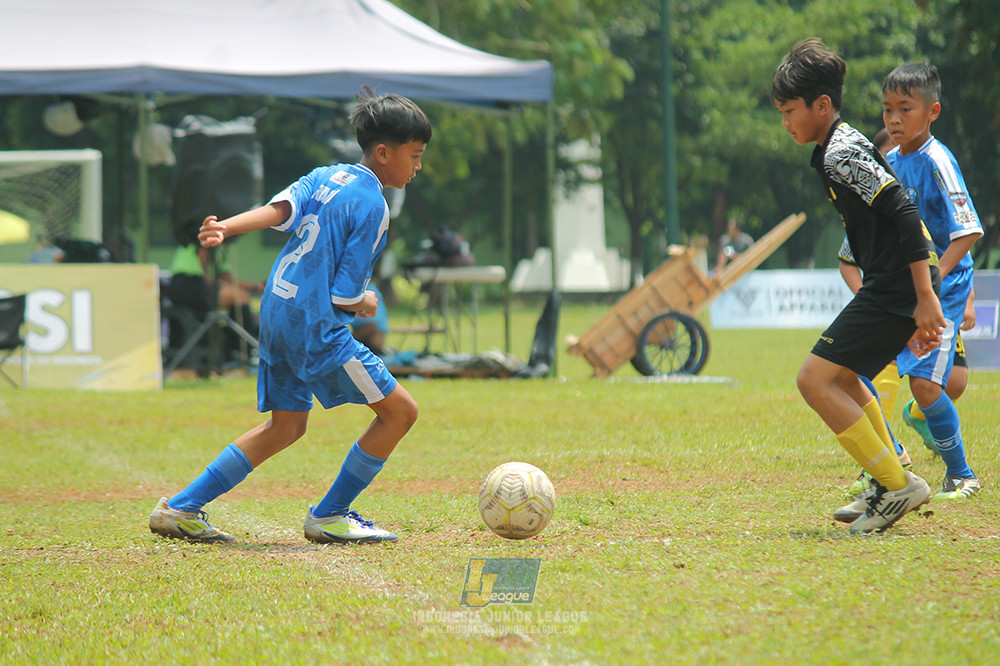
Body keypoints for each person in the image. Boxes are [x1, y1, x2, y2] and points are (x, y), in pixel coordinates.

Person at [149, 86, 431, 544]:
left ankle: (181, 507)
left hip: (277, 312)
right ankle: (331, 513)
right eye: (415, 155)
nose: (418, 166)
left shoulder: (326, 175)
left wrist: (224, 226)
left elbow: (278, 210)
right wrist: (367, 303)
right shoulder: (374, 203)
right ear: (384, 152)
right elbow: (344, 299)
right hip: (314, 324)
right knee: (400, 413)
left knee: (286, 426)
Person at [772, 38, 944, 534]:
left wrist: (924, 297)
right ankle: (889, 474)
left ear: (821, 105)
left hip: (899, 285)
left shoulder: (842, 152)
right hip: (893, 284)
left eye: (789, 111)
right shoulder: (835, 146)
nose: (785, 122)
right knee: (844, 377)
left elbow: (905, 213)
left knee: (814, 380)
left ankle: (897, 486)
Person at [881, 63, 982, 499]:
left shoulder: (938, 161)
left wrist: (935, 280)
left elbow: (968, 230)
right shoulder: (888, 163)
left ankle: (961, 474)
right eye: (888, 110)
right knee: (865, 374)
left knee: (927, 385)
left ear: (932, 111)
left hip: (944, 288)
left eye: (906, 108)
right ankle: (883, 467)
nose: (894, 119)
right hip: (908, 287)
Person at [350, 282, 390, 356]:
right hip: (360, 345)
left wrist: (348, 341)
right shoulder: (349, 291)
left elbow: (372, 324)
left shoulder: (368, 290)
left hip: (372, 348)